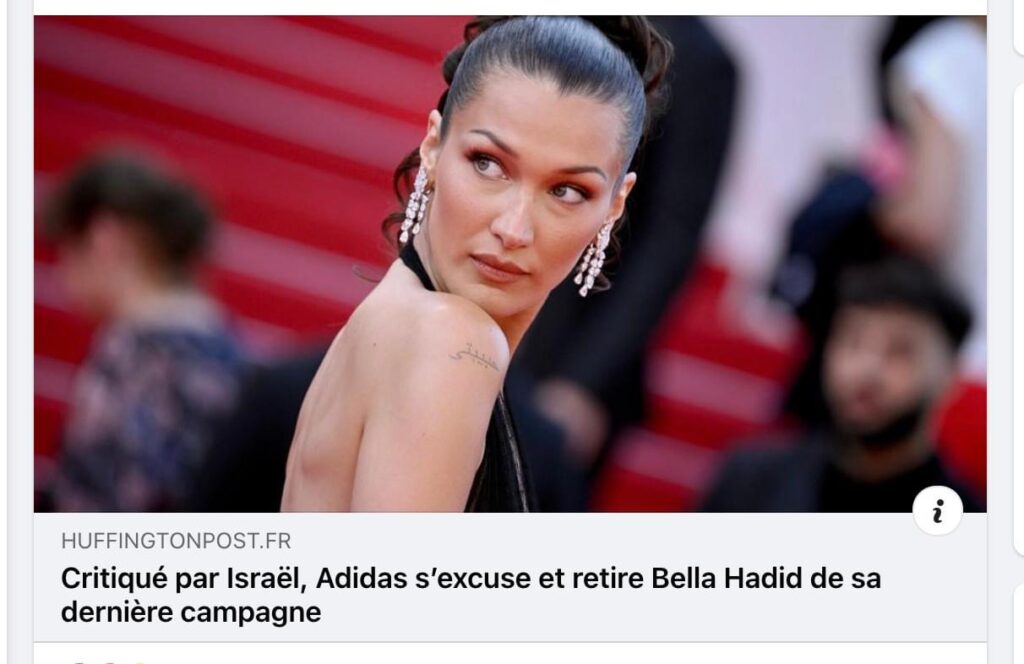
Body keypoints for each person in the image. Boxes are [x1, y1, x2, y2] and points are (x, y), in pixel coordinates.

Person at [280, 16, 672, 512]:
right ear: (433, 146)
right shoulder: (453, 345)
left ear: (615, 206)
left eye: (567, 190)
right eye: (488, 163)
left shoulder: (390, 322)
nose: (514, 228)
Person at [38, 152, 244, 512]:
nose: (61, 275)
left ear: (105, 238)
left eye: (67, 251)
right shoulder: (234, 356)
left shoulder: (129, 356)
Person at [701, 256, 982, 512]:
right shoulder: (751, 480)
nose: (867, 369)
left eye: (899, 351)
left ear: (950, 376)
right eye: (853, 341)